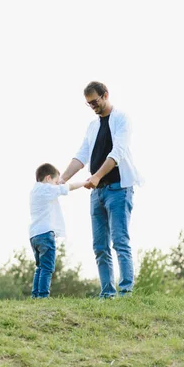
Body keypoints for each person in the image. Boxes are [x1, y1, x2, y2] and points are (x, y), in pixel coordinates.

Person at [59, 81, 143, 298]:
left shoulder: (121, 119)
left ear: (106, 95)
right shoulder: (92, 126)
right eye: (89, 104)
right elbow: (81, 155)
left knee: (120, 241)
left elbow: (119, 152)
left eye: (95, 102)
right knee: (99, 245)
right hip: (97, 193)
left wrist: (96, 176)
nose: (93, 106)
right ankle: (107, 293)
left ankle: (126, 292)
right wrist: (62, 178)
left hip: (118, 189)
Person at [29, 163, 87, 298]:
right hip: (45, 234)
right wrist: (85, 182)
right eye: (55, 182)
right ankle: (43, 296)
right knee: (47, 267)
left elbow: (58, 187)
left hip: (34, 235)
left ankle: (35, 295)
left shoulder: (34, 191)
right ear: (48, 178)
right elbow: (69, 187)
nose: (56, 185)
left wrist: (58, 182)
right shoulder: (47, 189)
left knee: (40, 267)